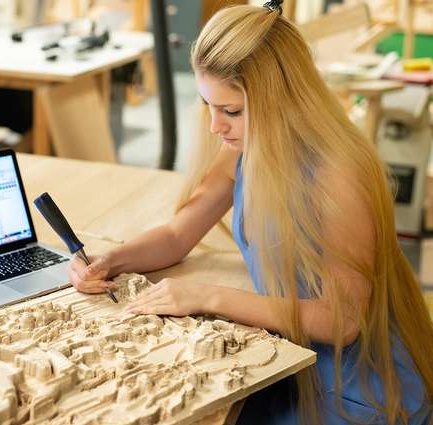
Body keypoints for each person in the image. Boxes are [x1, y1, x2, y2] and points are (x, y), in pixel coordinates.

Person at [67, 1, 433, 424]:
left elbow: (344, 321)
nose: (214, 127)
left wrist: (208, 296)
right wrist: (111, 259)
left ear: (282, 99)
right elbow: (177, 236)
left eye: (231, 111)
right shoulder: (245, 146)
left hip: (356, 387)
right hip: (291, 355)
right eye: (207, 105)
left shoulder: (337, 174)